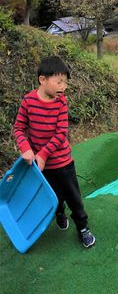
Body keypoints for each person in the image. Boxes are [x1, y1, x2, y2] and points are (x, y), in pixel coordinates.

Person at [13, 56, 95, 247]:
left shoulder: (61, 103)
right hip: (40, 167)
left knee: (74, 198)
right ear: (43, 79)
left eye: (65, 82)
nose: (63, 87)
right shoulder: (28, 101)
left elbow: (61, 134)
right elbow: (18, 128)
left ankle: (83, 228)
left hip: (63, 163)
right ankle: (59, 212)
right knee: (53, 196)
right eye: (59, 82)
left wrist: (42, 154)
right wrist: (25, 148)